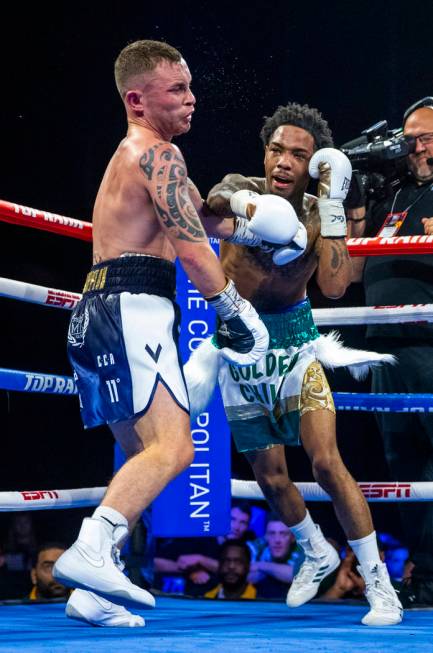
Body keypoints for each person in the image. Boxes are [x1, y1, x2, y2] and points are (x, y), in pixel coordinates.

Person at [53, 39, 269, 626]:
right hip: (133, 308)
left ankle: (92, 592)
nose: (192, 99)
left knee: (137, 453)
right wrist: (236, 310)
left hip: (99, 309)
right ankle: (93, 547)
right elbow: (196, 251)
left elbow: (199, 217)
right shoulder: (158, 155)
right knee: (176, 448)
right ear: (137, 99)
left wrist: (262, 222)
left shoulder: (137, 155)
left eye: (190, 87)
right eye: (177, 90)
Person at [201, 102, 402, 625]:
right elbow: (211, 209)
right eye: (276, 150)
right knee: (269, 476)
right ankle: (315, 550)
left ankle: (381, 587)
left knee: (325, 463)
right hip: (239, 340)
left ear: (314, 163)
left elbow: (335, 286)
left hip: (294, 340)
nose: (284, 161)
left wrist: (334, 207)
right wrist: (248, 214)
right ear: (264, 153)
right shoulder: (239, 183)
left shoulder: (318, 212)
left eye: (298, 153)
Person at [349, 97, 433, 607]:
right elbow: (350, 272)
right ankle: (426, 570)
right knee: (405, 461)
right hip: (385, 346)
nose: (416, 147)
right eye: (410, 139)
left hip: (429, 340)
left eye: (426, 137)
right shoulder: (395, 195)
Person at [248, 515, 300, 599]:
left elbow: (297, 576)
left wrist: (260, 566)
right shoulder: (257, 546)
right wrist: (279, 573)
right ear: (266, 536)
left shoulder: (301, 549)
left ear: (292, 537)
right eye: (272, 533)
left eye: (283, 534)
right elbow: (242, 573)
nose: (277, 540)